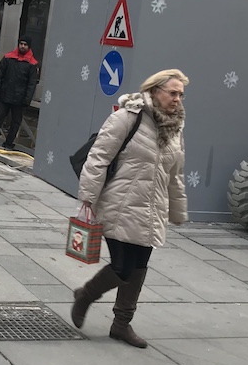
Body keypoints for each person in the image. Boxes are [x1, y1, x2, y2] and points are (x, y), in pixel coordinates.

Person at [71, 69, 189, 348]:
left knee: (139, 267)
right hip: (119, 203)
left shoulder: (175, 126)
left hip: (152, 209)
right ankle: (85, 295)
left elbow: (176, 173)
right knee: (122, 268)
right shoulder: (128, 117)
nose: (177, 99)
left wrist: (178, 209)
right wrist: (88, 197)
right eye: (172, 92)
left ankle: (121, 325)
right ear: (155, 91)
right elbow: (99, 157)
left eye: (181, 94)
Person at [0, 36, 39, 150]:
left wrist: (26, 100)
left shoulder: (32, 64)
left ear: (29, 46)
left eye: (25, 44)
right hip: (5, 95)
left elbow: (31, 84)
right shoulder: (8, 58)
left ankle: (8, 144)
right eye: (21, 44)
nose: (22, 46)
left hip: (19, 99)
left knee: (15, 122)